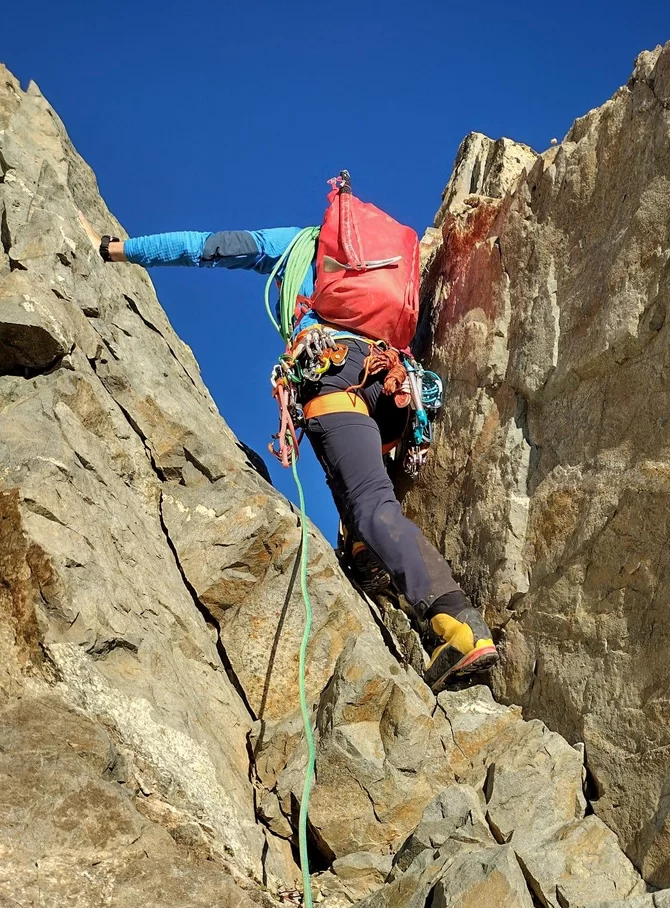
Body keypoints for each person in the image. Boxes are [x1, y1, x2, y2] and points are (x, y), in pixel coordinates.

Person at [78, 210, 498, 691]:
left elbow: (208, 246)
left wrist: (116, 248)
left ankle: (458, 625)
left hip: (335, 372)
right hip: (395, 389)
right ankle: (362, 547)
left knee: (372, 505)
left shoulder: (299, 244)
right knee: (361, 491)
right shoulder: (387, 262)